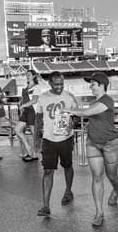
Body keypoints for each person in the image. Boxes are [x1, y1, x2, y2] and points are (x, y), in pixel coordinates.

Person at [63, 72, 118, 226]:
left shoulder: (107, 100)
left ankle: (116, 189)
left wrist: (70, 111)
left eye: (93, 84)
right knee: (97, 177)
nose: (90, 86)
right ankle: (99, 213)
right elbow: (93, 118)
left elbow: (87, 113)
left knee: (112, 176)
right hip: (93, 143)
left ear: (101, 85)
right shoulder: (95, 102)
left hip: (110, 144)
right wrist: (76, 124)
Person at [35, 71, 77, 217]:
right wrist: (36, 140)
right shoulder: (43, 97)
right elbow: (38, 119)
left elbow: (77, 115)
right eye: (56, 84)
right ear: (50, 83)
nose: (59, 86)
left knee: (68, 166)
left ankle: (68, 191)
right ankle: (45, 205)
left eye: (62, 84)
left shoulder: (69, 97)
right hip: (48, 140)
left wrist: (73, 124)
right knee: (47, 171)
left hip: (66, 139)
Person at [14, 70, 41, 162]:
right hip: (25, 111)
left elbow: (35, 100)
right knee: (17, 130)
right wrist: (20, 104)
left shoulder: (37, 87)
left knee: (34, 134)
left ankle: (35, 154)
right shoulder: (24, 87)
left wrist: (24, 105)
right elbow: (23, 99)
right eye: (26, 75)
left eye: (29, 75)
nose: (27, 76)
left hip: (33, 111)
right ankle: (29, 148)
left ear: (34, 76)